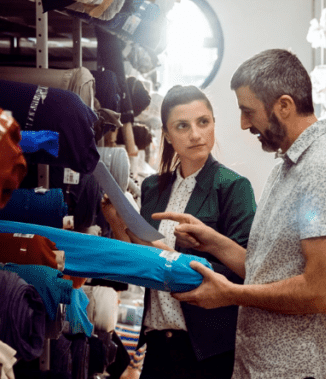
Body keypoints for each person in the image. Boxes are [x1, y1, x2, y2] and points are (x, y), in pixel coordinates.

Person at [156, 49, 326, 379]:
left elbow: (324, 291)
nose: (243, 124)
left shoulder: (324, 172)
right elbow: (269, 269)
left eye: (248, 111)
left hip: (299, 371)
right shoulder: (290, 166)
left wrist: (230, 294)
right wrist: (215, 243)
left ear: (283, 106)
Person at [102, 85, 257, 379]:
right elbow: (138, 261)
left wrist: (182, 257)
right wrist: (114, 219)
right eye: (182, 126)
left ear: (213, 124)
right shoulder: (152, 187)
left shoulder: (233, 186)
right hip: (158, 342)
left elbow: (248, 269)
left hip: (208, 350)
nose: (196, 134)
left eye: (203, 122)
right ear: (168, 135)